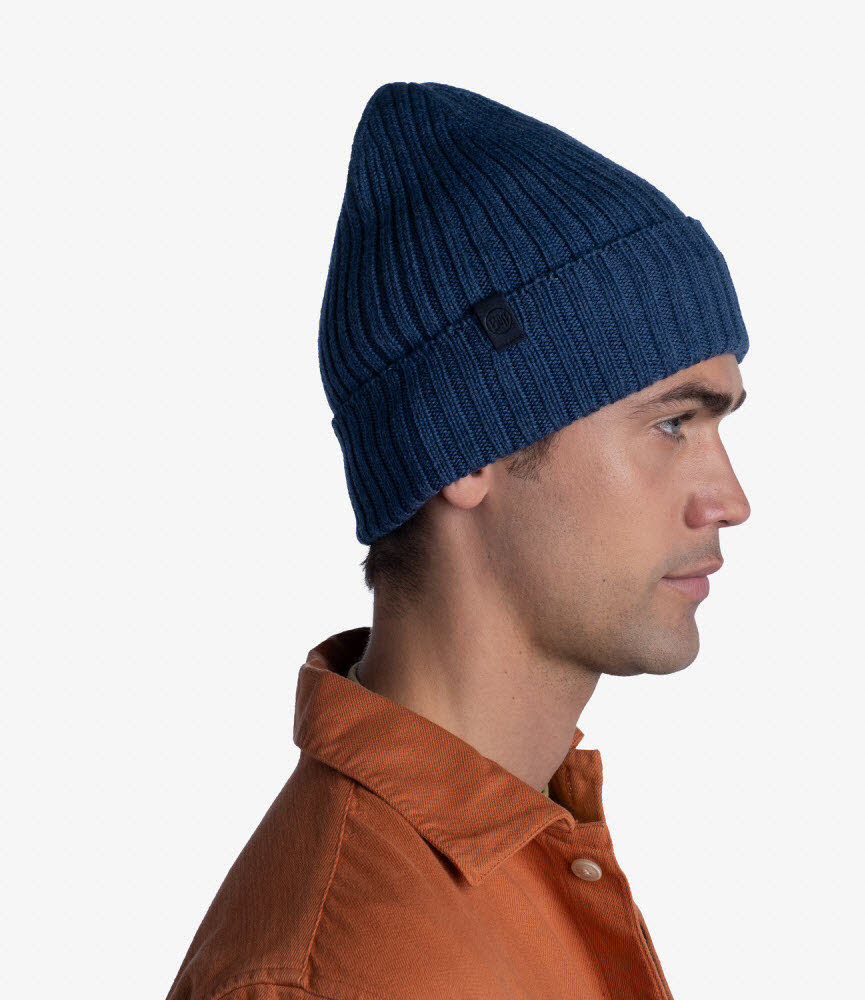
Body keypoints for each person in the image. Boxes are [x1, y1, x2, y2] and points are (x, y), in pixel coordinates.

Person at [164, 80, 751, 1000]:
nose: (731, 500)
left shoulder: (523, 847)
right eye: (672, 423)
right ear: (466, 451)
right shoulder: (346, 968)